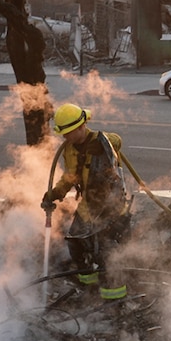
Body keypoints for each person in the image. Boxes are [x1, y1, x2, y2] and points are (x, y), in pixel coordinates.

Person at [41, 103, 132, 300]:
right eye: (64, 134)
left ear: (82, 126)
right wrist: (56, 192)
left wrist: (103, 143)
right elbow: (71, 176)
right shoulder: (69, 150)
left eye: (69, 133)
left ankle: (114, 299)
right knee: (76, 243)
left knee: (107, 254)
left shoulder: (100, 141)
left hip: (111, 209)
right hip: (88, 207)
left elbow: (116, 141)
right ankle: (89, 288)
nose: (66, 137)